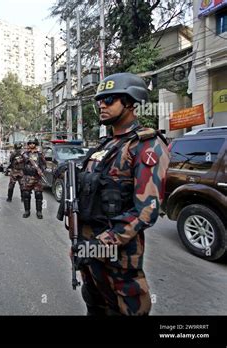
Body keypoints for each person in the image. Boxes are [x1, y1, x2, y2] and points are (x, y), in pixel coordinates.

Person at [56, 72, 170, 316]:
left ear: (130, 102)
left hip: (117, 254)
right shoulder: (104, 146)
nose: (101, 105)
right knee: (95, 304)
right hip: (89, 248)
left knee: (126, 309)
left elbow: (146, 212)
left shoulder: (146, 145)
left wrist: (97, 245)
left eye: (109, 100)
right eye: (100, 101)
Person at [21, 138, 46, 219]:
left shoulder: (39, 154)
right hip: (27, 177)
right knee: (26, 194)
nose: (32, 144)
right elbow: (20, 163)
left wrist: (41, 170)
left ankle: (39, 211)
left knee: (38, 194)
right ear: (28, 145)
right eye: (30, 143)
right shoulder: (25, 154)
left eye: (33, 143)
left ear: (36, 144)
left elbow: (44, 164)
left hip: (37, 177)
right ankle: (27, 211)